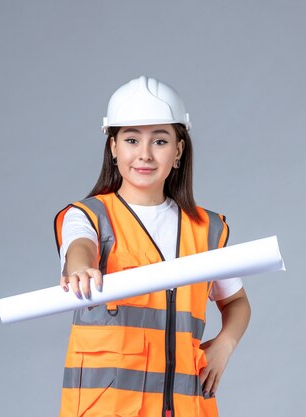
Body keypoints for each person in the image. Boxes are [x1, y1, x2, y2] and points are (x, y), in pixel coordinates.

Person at [54, 76, 251, 417]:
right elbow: (79, 249)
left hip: (186, 405)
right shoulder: (88, 216)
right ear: (113, 147)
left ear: (178, 150)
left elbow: (236, 302)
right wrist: (81, 268)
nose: (144, 154)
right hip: (109, 408)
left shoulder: (207, 230)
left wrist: (225, 344)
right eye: (131, 139)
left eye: (159, 141)